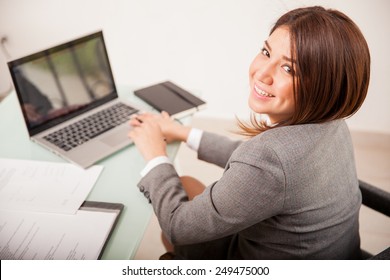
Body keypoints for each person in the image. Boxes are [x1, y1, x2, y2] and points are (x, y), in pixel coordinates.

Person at [128, 6, 370, 259]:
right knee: (187, 185)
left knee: (172, 223)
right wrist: (185, 133)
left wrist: (155, 155)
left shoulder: (271, 158)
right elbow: (258, 165)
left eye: (288, 69)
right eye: (266, 52)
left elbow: (178, 226)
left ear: (324, 87)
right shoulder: (333, 124)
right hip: (334, 254)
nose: (262, 74)